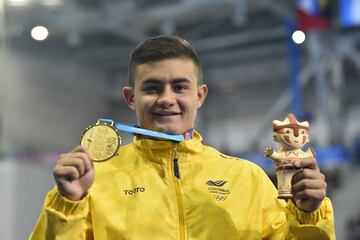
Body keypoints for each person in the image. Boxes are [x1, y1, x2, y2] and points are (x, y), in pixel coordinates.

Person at [30, 35, 335, 239]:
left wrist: (309, 215)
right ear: (130, 97)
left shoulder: (247, 179)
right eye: (151, 88)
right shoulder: (92, 183)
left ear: (199, 95)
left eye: (180, 87)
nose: (166, 98)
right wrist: (68, 204)